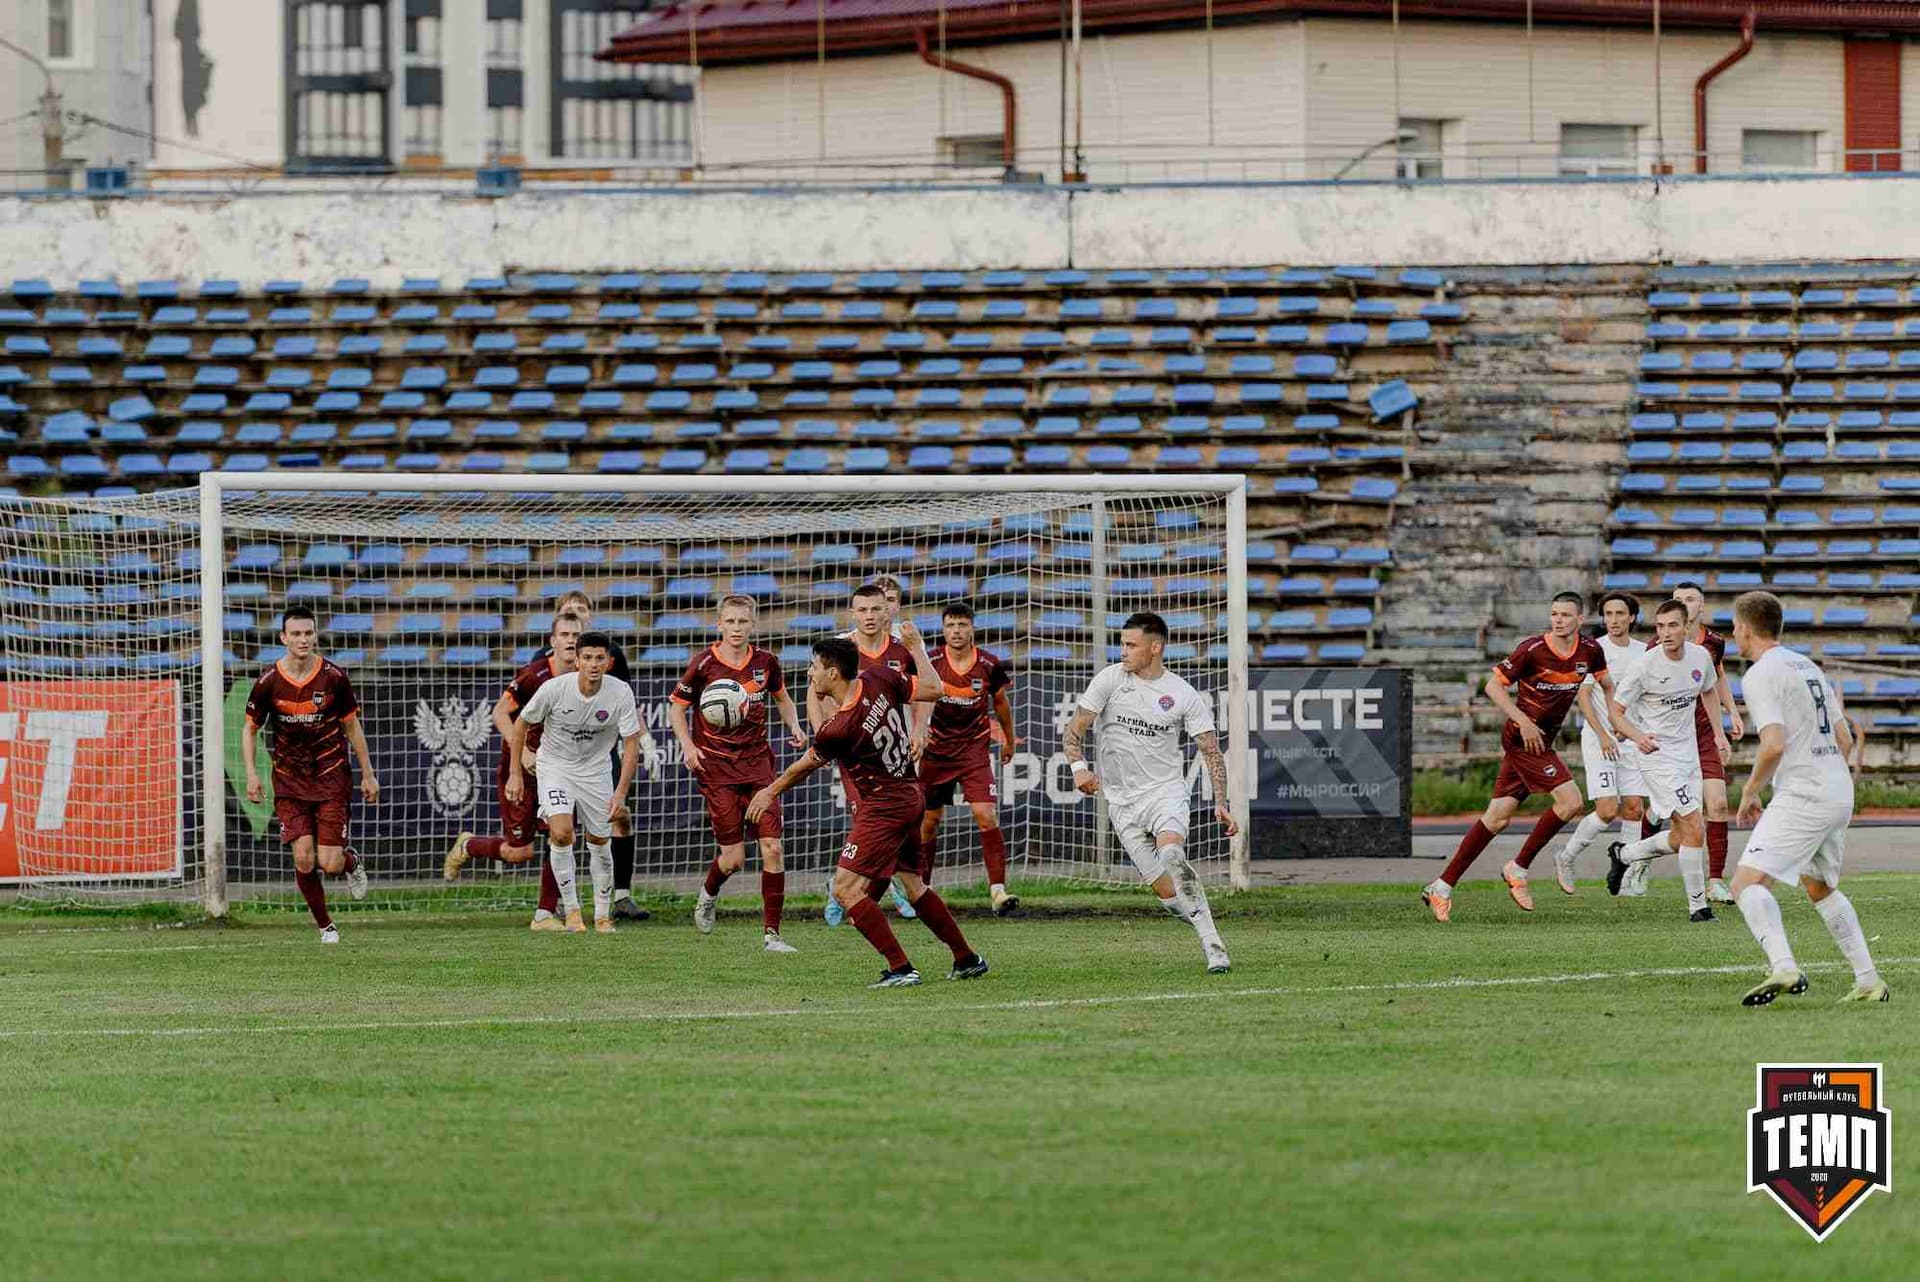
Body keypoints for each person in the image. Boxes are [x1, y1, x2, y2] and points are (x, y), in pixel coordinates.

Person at [746, 626, 987, 988]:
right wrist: (917, 648)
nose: (810, 673)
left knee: (845, 890)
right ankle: (966, 959)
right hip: (910, 793)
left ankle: (901, 968)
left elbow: (805, 765)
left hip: (884, 806)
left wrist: (768, 792)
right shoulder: (879, 677)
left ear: (833, 673)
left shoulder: (842, 726)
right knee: (914, 885)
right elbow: (935, 689)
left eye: (814, 667)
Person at [1725, 591, 1886, 1006]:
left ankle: (1783, 966)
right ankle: (1869, 981)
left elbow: (1773, 745)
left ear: (1745, 628)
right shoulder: (1806, 665)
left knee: (1745, 883)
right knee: (1820, 887)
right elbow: (1844, 738)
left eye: (1734, 627)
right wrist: (1827, 776)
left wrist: (1750, 790)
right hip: (1837, 789)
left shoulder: (1760, 674)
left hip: (1805, 792)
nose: (1733, 635)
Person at [1061, 611, 1235, 973]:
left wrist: (1221, 803)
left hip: (1164, 793)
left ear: (1155, 648)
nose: (1123, 651)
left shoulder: (1182, 694)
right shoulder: (1110, 679)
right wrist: (1079, 769)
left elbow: (1210, 750)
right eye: (1122, 644)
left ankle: (1214, 947)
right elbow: (1074, 729)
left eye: (1131, 645)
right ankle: (1206, 926)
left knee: (1171, 851)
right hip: (1121, 802)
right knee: (1168, 895)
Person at [1422, 592, 1610, 921]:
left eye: (1566, 615)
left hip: (1543, 740)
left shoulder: (1590, 650)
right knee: (1571, 802)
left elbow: (1605, 683)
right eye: (1554, 614)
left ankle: (1441, 886)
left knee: (1497, 818)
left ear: (1580, 619)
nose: (1558, 620)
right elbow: (1492, 687)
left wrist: (1617, 717)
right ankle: (1519, 867)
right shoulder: (1532, 650)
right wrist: (1523, 721)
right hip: (1523, 740)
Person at [673, 594, 809, 953]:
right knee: (734, 859)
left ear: (753, 624)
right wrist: (688, 745)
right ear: (719, 624)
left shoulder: (766, 662)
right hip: (717, 769)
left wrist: (794, 725)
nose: (736, 628)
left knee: (773, 848)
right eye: (730, 621)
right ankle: (708, 893)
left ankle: (772, 935)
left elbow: (782, 697)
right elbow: (676, 707)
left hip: (759, 766)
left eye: (743, 622)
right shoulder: (703, 664)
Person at [242, 605, 379, 943]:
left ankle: (349, 861)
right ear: (283, 638)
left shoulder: (334, 677)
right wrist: (251, 774)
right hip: (289, 780)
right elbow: (250, 729)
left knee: (329, 863)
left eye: (308, 633)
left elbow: (352, 726)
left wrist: (368, 774)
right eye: (296, 634)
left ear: (315, 636)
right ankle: (326, 927)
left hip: (331, 776)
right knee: (304, 859)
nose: (303, 639)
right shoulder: (268, 683)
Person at [442, 611, 582, 929]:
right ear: (553, 641)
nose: (570, 640)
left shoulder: (583, 679)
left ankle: (545, 913)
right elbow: (499, 713)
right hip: (521, 768)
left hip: (556, 770)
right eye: (564, 635)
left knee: (561, 834)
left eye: (576, 635)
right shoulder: (534, 675)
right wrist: (520, 763)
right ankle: (469, 845)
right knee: (520, 852)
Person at [508, 631, 654, 933]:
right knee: (562, 833)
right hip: (556, 768)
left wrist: (620, 793)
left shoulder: (620, 692)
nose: (593, 664)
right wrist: (515, 773)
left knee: (599, 841)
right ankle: (572, 911)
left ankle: (602, 915)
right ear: (577, 661)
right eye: (587, 657)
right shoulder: (554, 689)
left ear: (609, 662)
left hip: (596, 772)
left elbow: (631, 743)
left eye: (599, 658)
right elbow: (520, 723)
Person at [1603, 599, 1727, 922]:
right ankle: (1698, 908)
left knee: (1682, 836)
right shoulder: (1645, 666)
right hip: (1657, 757)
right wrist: (1637, 737)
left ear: (1686, 627)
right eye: (1660, 626)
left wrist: (1718, 733)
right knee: (1695, 825)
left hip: (1689, 756)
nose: (1666, 632)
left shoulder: (1700, 657)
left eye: (1673, 625)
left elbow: (1709, 691)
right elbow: (1616, 713)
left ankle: (1624, 854)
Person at [815, 581, 918, 925]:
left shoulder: (902, 650)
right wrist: (822, 736)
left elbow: (922, 691)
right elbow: (815, 693)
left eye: (876, 608)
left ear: (889, 610)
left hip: (894, 750)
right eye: (862, 610)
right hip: (855, 753)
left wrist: (920, 729)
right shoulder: (842, 649)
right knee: (867, 818)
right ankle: (862, 887)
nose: (870, 616)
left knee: (896, 822)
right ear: (852, 613)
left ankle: (854, 886)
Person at [546, 590, 653, 921]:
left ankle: (621, 896)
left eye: (582, 608)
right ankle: (559, 900)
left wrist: (645, 740)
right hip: (561, 755)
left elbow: (627, 703)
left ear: (590, 615)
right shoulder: (545, 658)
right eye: (569, 609)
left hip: (600, 751)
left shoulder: (611, 653)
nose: (576, 613)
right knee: (561, 825)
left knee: (618, 814)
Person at [914, 601, 1021, 914]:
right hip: (936, 753)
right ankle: (922, 892)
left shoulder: (989, 664)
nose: (956, 631)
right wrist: (917, 731)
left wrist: (1009, 739)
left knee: (986, 815)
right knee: (928, 823)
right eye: (950, 625)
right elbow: (914, 696)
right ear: (943, 629)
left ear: (972, 628)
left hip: (974, 752)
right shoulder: (931, 662)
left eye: (962, 625)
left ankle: (998, 892)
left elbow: (1000, 703)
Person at [1551, 592, 1649, 895]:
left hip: (1630, 739)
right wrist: (1604, 734)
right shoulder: (1593, 650)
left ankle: (1627, 878)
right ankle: (1566, 857)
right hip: (1600, 740)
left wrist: (1635, 732)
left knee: (1634, 808)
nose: (1614, 620)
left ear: (1632, 617)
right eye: (1608, 614)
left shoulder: (1645, 652)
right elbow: (1583, 698)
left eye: (1620, 614)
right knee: (1607, 810)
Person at [1671, 581, 1744, 904]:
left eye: (1690, 599)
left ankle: (1715, 881)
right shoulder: (1658, 646)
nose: (1684, 604)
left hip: (1703, 734)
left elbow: (1718, 678)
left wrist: (1731, 714)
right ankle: (1633, 855)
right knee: (1676, 818)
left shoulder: (1714, 642)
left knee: (1718, 804)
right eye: (1678, 599)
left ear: (1701, 606)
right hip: (1673, 739)